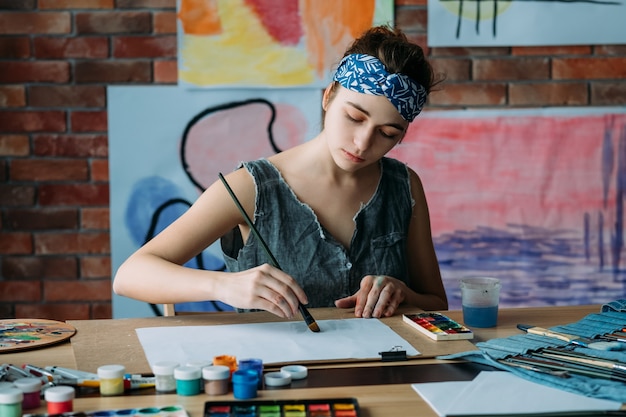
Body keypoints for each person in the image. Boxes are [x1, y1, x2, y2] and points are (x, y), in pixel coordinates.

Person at [113, 25, 448, 319]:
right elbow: (130, 275)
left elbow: (436, 304)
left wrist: (402, 293)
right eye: (355, 118)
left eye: (387, 133)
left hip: (383, 375)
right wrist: (224, 285)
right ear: (329, 97)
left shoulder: (404, 187)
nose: (362, 143)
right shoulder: (250, 188)